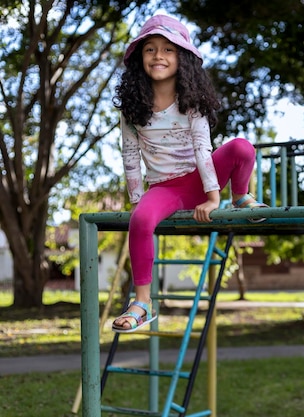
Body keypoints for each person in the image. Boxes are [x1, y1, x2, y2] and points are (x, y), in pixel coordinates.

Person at [112, 15, 266, 333]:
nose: (158, 56)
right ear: (140, 59)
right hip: (166, 189)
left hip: (201, 177)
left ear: (182, 58)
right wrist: (139, 201)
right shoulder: (132, 109)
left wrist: (213, 198)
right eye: (150, 49)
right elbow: (129, 156)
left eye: (168, 49)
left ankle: (241, 197)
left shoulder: (191, 104)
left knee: (240, 147)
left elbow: (202, 149)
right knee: (140, 220)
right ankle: (142, 302)